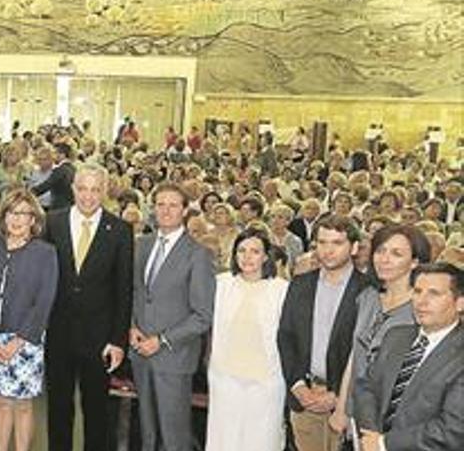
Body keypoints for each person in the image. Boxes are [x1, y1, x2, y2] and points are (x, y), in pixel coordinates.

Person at [43, 163, 133, 451]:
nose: (88, 196)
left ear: (105, 192)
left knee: (97, 413)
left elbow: (124, 290)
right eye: (82, 188)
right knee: (58, 409)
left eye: (95, 190)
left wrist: (118, 341)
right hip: (58, 333)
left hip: (100, 339)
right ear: (73, 189)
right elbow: (42, 280)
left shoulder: (120, 230)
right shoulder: (52, 223)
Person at [130, 182, 216, 451]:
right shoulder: (141, 246)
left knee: (173, 436)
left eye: (173, 205)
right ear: (153, 208)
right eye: (160, 204)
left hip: (174, 357)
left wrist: (162, 340)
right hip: (140, 353)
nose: (166, 211)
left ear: (184, 210)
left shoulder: (198, 254)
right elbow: (134, 293)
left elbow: (203, 316)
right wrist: (131, 326)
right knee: (147, 433)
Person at [0, 188, 58, 451]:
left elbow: (44, 300)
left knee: (22, 405)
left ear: (34, 219)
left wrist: (19, 342)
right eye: (11, 212)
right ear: (3, 216)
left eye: (23, 213)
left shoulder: (45, 253)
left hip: (26, 341)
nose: (16, 219)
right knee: (1, 402)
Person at [328, 225, 431, 440]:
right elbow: (355, 355)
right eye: (380, 250)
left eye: (396, 254)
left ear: (415, 262)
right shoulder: (367, 297)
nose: (384, 259)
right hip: (358, 410)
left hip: (398, 418)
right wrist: (341, 408)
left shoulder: (423, 307)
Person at [277, 215, 368, 451]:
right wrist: (297, 385)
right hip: (304, 398)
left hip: (347, 405)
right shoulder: (300, 284)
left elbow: (367, 352)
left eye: (337, 243)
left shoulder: (368, 291)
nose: (328, 250)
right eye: (322, 243)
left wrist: (339, 394)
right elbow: (286, 336)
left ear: (354, 247)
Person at [353, 262, 464, 451]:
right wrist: (372, 434)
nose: (421, 301)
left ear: (460, 302)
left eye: (434, 294)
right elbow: (366, 387)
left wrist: (384, 444)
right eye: (418, 291)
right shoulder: (396, 336)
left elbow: (453, 429)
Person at [206, 227, 287, 451]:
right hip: (226, 378)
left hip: (266, 381)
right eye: (241, 250)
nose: (247, 257)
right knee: (224, 441)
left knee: (261, 442)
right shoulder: (220, 284)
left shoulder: (281, 290)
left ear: (266, 256)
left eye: (254, 251)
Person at [31, 143, 75, 210]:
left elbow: (45, 186)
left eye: (55, 153)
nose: (53, 156)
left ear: (62, 155)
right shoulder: (72, 168)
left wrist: (28, 193)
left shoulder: (60, 170)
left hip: (59, 207)